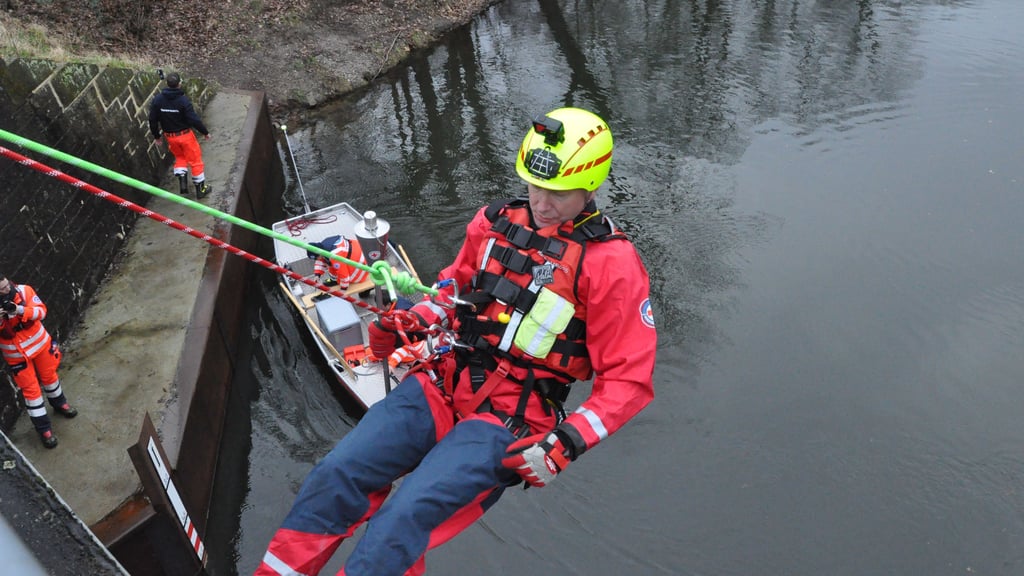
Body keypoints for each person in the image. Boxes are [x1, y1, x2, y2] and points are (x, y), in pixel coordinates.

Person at [255, 107, 657, 576]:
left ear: (591, 185)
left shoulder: (612, 265)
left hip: (512, 415)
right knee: (335, 476)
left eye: (558, 193)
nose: (542, 202)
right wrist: (411, 319)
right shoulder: (493, 223)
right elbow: (453, 289)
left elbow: (629, 381)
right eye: (534, 186)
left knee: (398, 525)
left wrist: (565, 442)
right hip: (445, 379)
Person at [0, 274, 77, 449]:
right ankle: (44, 430)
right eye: (2, 290)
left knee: (50, 376)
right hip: (17, 356)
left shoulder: (24, 291)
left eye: (7, 286)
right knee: (31, 392)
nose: (7, 290)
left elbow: (41, 312)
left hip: (41, 345)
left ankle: (60, 404)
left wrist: (19, 310)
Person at [148, 71, 213, 199]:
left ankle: (183, 181)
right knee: (195, 161)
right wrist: (205, 132)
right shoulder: (183, 101)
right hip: (185, 135)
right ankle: (201, 189)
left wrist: (156, 136)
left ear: (167, 83)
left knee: (180, 157)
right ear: (179, 84)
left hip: (170, 137)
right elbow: (193, 119)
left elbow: (152, 119)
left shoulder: (157, 100)